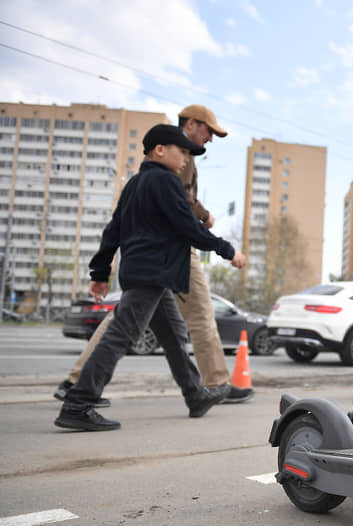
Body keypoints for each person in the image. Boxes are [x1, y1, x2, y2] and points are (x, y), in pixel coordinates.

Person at [53, 105, 254, 405]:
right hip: (162, 258)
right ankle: (80, 398)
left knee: (170, 331)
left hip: (150, 264)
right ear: (190, 126)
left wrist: (99, 272)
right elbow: (184, 217)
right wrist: (224, 246)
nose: (210, 139)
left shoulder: (142, 178)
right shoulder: (169, 170)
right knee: (132, 327)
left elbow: (114, 229)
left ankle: (196, 393)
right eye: (209, 131)